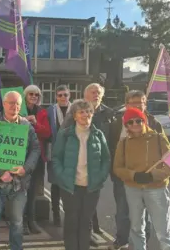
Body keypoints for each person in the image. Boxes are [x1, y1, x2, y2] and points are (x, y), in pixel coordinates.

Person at [0, 91, 41, 250]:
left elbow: (36, 149)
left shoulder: (26, 126)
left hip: (19, 183)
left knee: (17, 223)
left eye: (18, 104)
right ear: (4, 104)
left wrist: (25, 169)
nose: (15, 106)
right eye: (11, 103)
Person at [52, 99, 110, 250]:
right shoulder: (65, 135)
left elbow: (106, 159)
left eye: (88, 111)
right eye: (81, 112)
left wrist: (100, 177)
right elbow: (56, 158)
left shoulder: (98, 135)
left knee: (86, 222)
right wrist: (62, 176)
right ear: (75, 116)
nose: (86, 115)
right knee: (71, 221)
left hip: (91, 187)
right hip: (71, 186)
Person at [113, 108, 170, 250]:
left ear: (144, 121)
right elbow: (117, 168)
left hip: (156, 189)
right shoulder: (123, 143)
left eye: (138, 120)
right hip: (133, 189)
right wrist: (133, 175)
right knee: (136, 228)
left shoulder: (159, 138)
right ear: (126, 125)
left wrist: (153, 175)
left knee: (163, 231)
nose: (134, 124)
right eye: (130, 122)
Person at [108, 90, 163, 250]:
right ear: (126, 105)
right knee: (123, 212)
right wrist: (115, 171)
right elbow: (111, 148)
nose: (138, 106)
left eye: (141, 102)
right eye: (134, 103)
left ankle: (141, 244)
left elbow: (163, 151)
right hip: (122, 177)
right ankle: (121, 240)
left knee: (144, 214)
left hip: (146, 178)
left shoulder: (154, 123)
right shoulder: (117, 124)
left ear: (145, 104)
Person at [62, 83, 115, 235]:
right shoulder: (75, 111)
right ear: (85, 95)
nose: (95, 94)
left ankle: (91, 229)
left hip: (100, 163)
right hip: (81, 163)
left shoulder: (109, 113)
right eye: (92, 92)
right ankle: (89, 232)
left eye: (98, 92)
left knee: (92, 200)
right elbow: (64, 134)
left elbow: (113, 138)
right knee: (82, 203)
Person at [22, 85, 51, 234]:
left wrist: (35, 124)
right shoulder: (19, 110)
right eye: (31, 94)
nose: (34, 97)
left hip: (37, 156)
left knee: (33, 190)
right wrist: (23, 121)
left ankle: (31, 221)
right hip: (20, 154)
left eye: (36, 95)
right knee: (21, 190)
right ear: (25, 95)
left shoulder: (42, 112)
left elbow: (47, 133)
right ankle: (21, 222)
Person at [46, 85, 71, 226]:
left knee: (68, 184)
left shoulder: (75, 109)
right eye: (60, 95)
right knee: (55, 184)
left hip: (70, 152)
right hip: (54, 151)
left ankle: (69, 214)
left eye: (65, 95)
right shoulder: (50, 110)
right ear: (56, 96)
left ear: (69, 95)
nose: (63, 97)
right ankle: (55, 213)